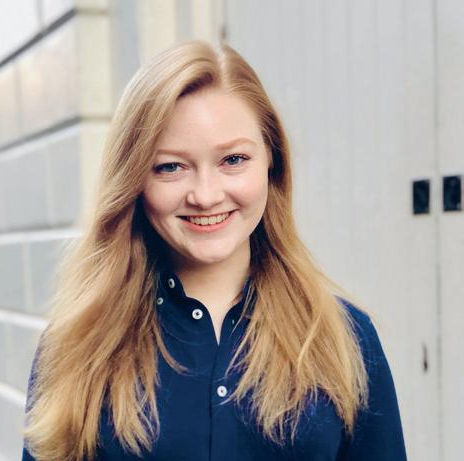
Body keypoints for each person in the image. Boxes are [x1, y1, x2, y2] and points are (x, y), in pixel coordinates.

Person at [21, 39, 407, 461]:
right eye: (170, 167)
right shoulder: (76, 344)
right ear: (133, 180)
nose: (205, 196)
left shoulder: (346, 338)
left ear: (271, 161)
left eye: (233, 160)